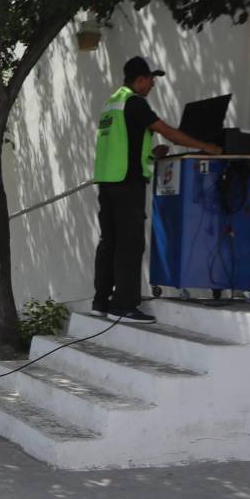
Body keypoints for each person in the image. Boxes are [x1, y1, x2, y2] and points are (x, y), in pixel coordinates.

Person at [92, 56, 222, 324]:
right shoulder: (134, 102)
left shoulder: (111, 103)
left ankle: (101, 302)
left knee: (110, 243)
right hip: (127, 183)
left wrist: (151, 155)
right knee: (130, 244)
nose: (153, 84)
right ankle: (124, 305)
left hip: (108, 182)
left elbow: (123, 145)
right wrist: (206, 147)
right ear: (140, 79)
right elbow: (167, 131)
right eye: (151, 79)